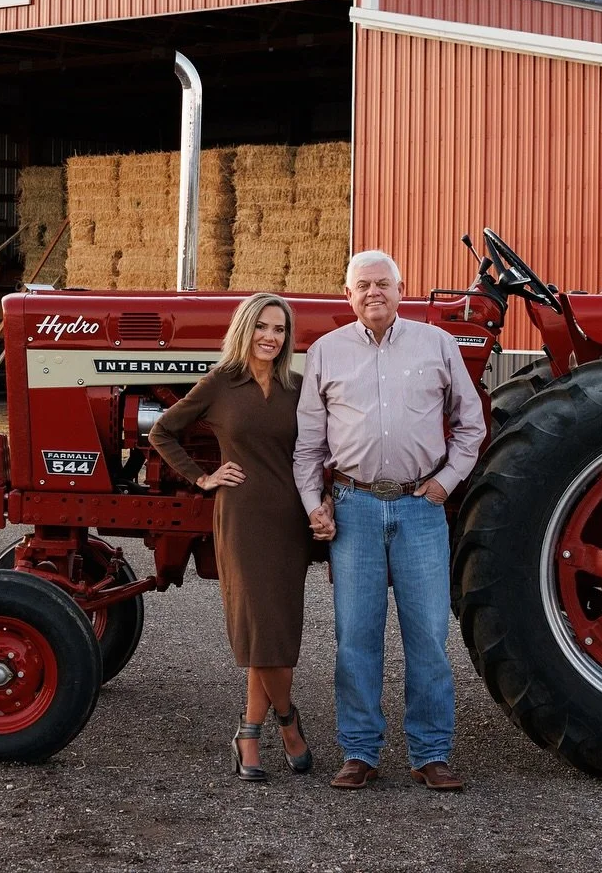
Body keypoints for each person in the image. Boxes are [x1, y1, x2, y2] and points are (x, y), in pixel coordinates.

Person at [294, 250, 486, 792]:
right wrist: (315, 504)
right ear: (347, 294)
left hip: (419, 509)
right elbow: (308, 446)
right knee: (356, 636)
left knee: (427, 635)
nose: (373, 293)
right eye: (363, 285)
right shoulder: (327, 353)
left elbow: (470, 427)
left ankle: (431, 754)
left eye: (383, 283)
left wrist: (444, 484)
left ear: (401, 290)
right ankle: (360, 752)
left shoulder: (437, 344)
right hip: (353, 508)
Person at [150, 293, 316, 782]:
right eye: (262, 326)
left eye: (280, 330)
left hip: (288, 520)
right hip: (241, 519)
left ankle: (249, 731)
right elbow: (163, 431)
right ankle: (285, 723)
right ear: (245, 328)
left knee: (279, 631)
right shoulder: (221, 384)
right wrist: (202, 477)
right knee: (256, 627)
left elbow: (319, 446)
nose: (271, 337)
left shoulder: (296, 388)